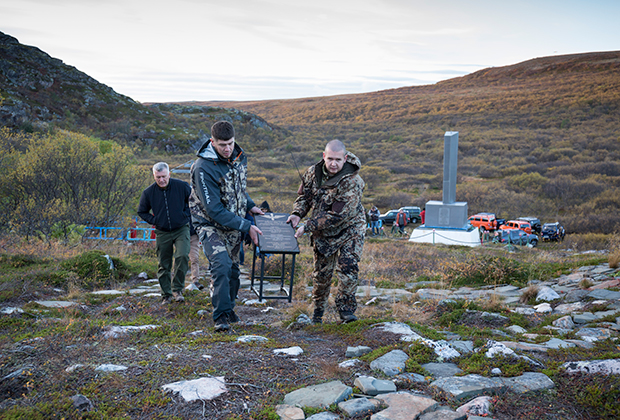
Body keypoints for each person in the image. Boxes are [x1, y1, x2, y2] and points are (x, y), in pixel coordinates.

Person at [190, 121, 264, 332]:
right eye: (222, 144)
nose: (227, 148)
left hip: (234, 222)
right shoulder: (203, 167)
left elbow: (239, 188)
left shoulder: (239, 158)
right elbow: (213, 209)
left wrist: (251, 207)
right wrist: (245, 226)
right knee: (221, 265)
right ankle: (220, 316)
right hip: (209, 224)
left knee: (233, 269)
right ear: (212, 142)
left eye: (230, 143)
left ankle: (230, 308)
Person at [286, 139, 365, 324]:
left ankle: (346, 312)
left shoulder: (353, 181)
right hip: (322, 232)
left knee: (348, 268)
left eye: (338, 159)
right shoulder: (313, 172)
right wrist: (297, 213)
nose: (333, 163)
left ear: (345, 158)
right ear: (324, 156)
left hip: (350, 229)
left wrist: (307, 226)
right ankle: (318, 312)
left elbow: (338, 216)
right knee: (321, 274)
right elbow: (304, 197)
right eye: (330, 158)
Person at [138, 162, 191, 304]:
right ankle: (166, 295)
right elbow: (142, 211)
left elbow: (193, 202)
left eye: (163, 176)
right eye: (158, 177)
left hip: (181, 228)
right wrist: (155, 220)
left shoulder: (182, 186)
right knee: (164, 263)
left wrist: (185, 215)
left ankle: (177, 289)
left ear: (169, 174)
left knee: (182, 256)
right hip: (162, 231)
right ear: (154, 176)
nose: (161, 180)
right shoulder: (148, 192)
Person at [189, 222, 205, 290]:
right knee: (180, 258)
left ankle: (195, 280)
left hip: (193, 235)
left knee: (195, 258)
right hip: (181, 234)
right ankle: (176, 282)